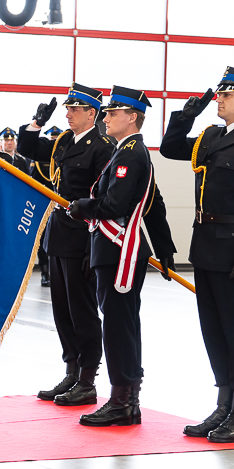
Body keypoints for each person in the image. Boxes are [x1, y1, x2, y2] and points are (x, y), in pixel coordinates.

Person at [160, 67, 234, 443]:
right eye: (220, 94)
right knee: (214, 332)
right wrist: (184, 118)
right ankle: (223, 406)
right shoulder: (211, 136)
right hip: (207, 248)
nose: (220, 99)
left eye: (228, 94)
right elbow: (170, 149)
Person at [67, 86, 176, 427]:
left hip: (120, 252)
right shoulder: (125, 151)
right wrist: (166, 250)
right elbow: (154, 205)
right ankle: (127, 401)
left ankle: (122, 401)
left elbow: (115, 205)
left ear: (132, 118)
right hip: (113, 251)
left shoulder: (131, 153)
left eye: (113, 113)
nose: (106, 117)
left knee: (118, 328)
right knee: (122, 326)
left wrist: (81, 208)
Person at [17, 84, 114, 405]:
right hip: (59, 232)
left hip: (83, 235)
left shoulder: (102, 147)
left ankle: (87, 379)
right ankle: (71, 371)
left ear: (92, 113)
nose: (68, 114)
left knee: (82, 310)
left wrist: (93, 248)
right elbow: (29, 147)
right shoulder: (64, 141)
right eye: (67, 109)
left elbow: (104, 199)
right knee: (62, 309)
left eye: (75, 109)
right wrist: (36, 122)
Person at [27, 125, 62, 288]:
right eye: (52, 139)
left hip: (58, 205)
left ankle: (55, 272)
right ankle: (45, 273)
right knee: (41, 240)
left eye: (57, 139)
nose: (54, 141)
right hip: (41, 204)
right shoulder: (36, 161)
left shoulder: (62, 160)